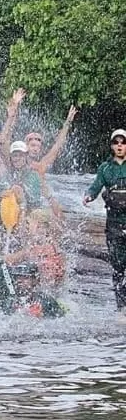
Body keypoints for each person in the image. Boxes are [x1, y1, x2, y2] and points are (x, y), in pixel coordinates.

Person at [84, 129, 126, 313]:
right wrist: (88, 196)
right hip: (114, 223)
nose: (119, 145)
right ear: (111, 146)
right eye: (116, 142)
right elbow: (95, 187)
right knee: (118, 266)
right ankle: (121, 306)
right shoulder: (105, 168)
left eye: (122, 142)